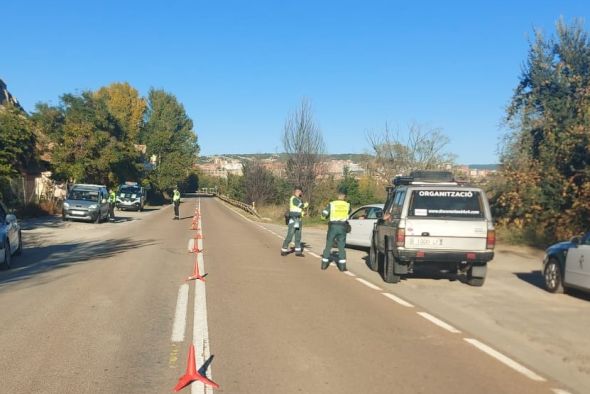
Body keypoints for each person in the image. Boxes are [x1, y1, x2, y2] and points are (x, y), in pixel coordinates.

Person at [320, 191, 351, 271]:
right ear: (344, 197)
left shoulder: (332, 204)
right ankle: (342, 267)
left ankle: (324, 265)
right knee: (341, 246)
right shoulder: (347, 205)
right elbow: (349, 212)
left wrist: (324, 217)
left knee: (329, 245)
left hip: (333, 226)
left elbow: (324, 213)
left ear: (338, 196)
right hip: (342, 227)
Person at [281, 186, 308, 256]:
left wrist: (302, 213)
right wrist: (305, 204)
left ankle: (298, 252)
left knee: (298, 237)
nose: (301, 193)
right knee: (290, 236)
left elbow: (299, 210)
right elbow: (300, 206)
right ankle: (283, 250)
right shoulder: (293, 199)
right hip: (293, 220)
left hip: (298, 220)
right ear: (298, 191)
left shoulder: (299, 199)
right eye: (301, 192)